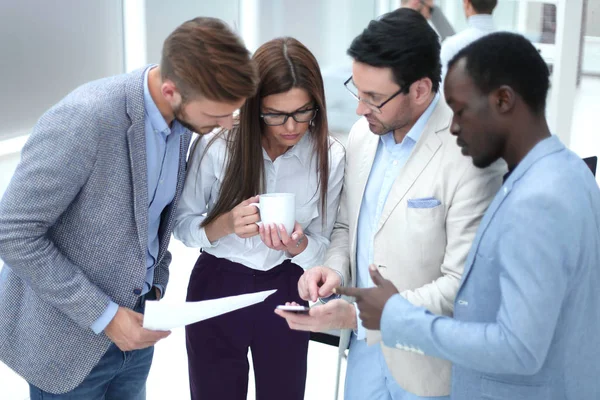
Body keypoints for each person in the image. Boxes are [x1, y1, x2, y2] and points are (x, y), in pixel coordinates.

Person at [0, 17, 257, 398]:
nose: (225, 125)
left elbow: (150, 219)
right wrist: (104, 316)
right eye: (216, 115)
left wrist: (154, 289)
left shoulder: (185, 124)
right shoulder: (86, 119)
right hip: (69, 341)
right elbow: (13, 232)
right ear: (171, 91)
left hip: (137, 326)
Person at [336, 32, 600, 400]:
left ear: (503, 101)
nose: (454, 127)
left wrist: (395, 315)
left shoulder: (540, 199)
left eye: (461, 111)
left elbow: (518, 346)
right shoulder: (563, 172)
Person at [275, 9, 504, 400]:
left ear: (420, 90)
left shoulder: (473, 152)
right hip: (363, 358)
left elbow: (462, 286)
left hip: (431, 369)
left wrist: (358, 315)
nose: (360, 110)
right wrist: (330, 270)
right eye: (357, 90)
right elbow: (349, 226)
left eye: (374, 98)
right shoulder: (364, 136)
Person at [173, 37, 345, 400]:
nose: (291, 126)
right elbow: (180, 224)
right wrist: (224, 224)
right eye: (275, 114)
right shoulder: (218, 144)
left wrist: (300, 246)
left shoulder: (328, 154)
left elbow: (325, 242)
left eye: (303, 111)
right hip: (217, 286)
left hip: (286, 286)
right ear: (253, 107)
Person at [440, 0, 497, 78]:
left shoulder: (451, 46)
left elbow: (442, 87)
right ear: (496, 4)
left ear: (466, 3)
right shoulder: (512, 45)